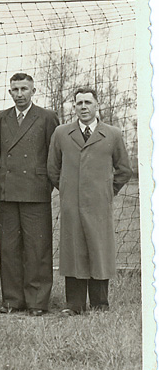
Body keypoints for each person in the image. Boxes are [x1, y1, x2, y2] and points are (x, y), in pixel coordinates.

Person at [47, 87, 132, 316]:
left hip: (99, 205)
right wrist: (67, 190)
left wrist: (106, 191)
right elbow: (53, 169)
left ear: (97, 106)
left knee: (99, 250)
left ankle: (100, 304)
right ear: (74, 107)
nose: (83, 107)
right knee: (73, 250)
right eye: (78, 103)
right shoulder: (62, 133)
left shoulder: (112, 134)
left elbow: (124, 170)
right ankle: (74, 305)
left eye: (87, 102)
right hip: (71, 204)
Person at [0, 73, 59, 316]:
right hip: (8, 191)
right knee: (9, 248)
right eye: (15, 89)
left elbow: (54, 154)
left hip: (36, 190)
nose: (19, 94)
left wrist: (47, 181)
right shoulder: (2, 117)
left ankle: (37, 301)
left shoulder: (47, 117)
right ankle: (12, 300)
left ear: (33, 90)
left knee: (37, 247)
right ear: (9, 92)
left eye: (24, 89)